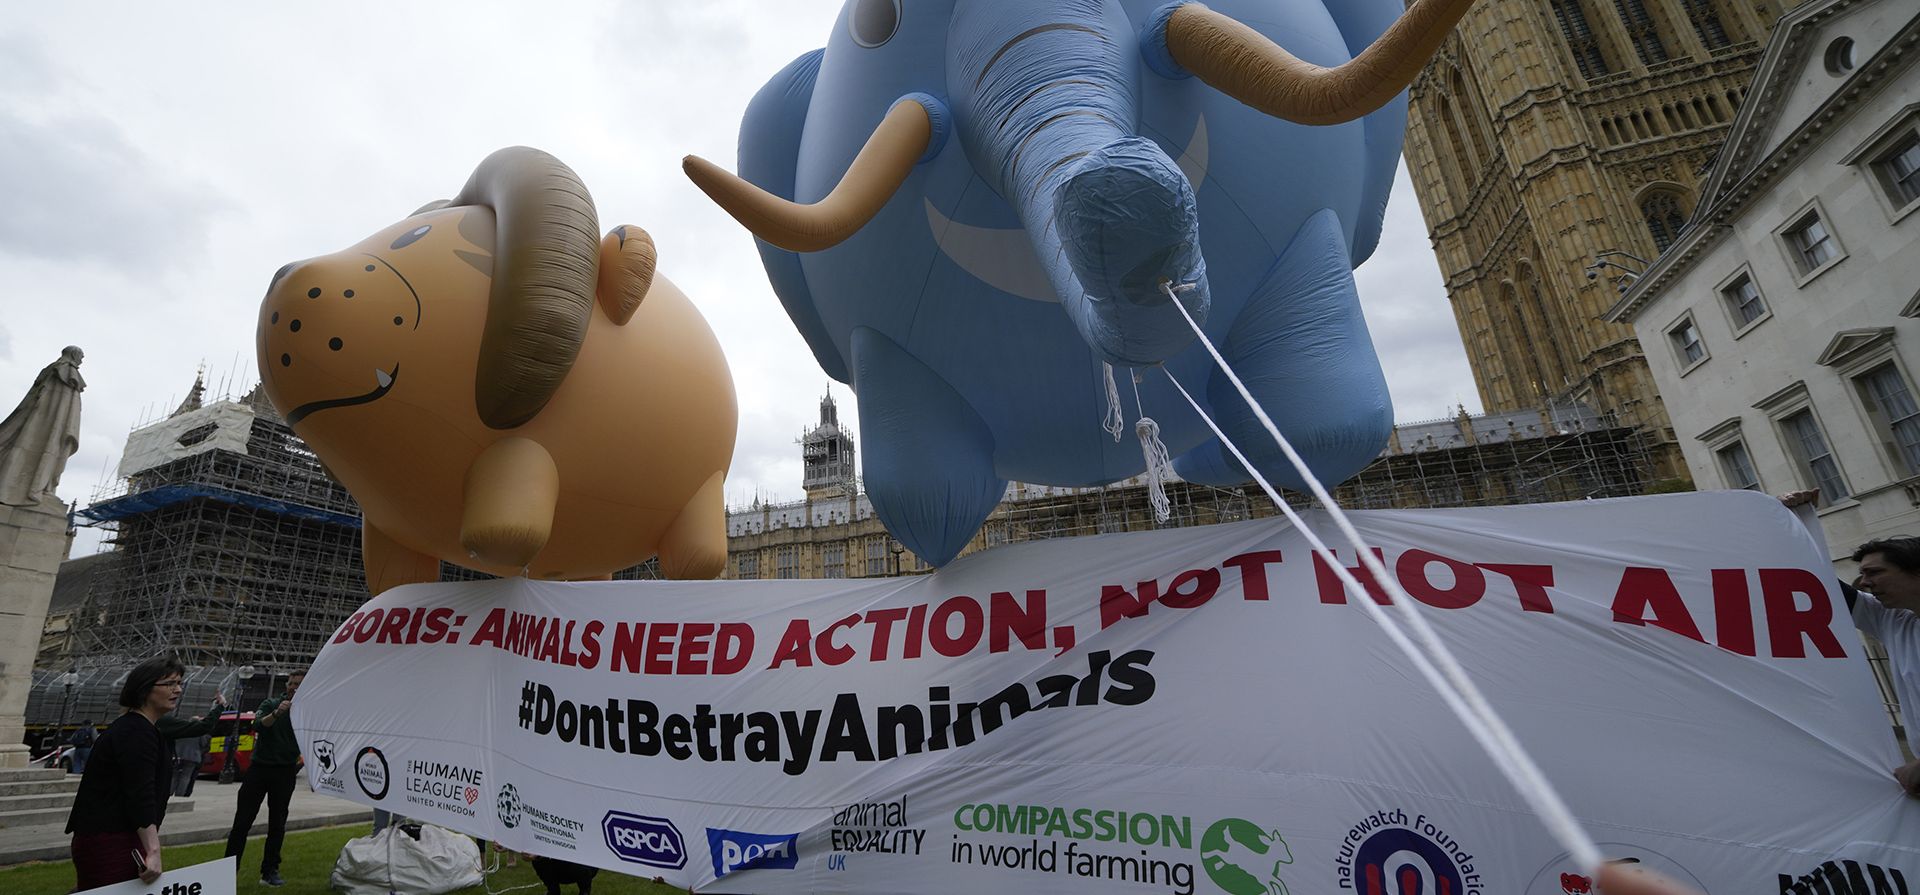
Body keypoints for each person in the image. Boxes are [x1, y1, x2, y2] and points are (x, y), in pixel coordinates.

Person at [63, 656, 187, 890]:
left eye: (180, 683)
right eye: (170, 684)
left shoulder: (138, 728)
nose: (178, 690)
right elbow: (140, 792)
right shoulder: (135, 731)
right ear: (145, 689)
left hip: (118, 837)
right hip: (112, 839)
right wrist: (153, 849)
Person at [1849, 535, 1920, 796]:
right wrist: (1793, 522)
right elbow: (1821, 586)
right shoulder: (1894, 619)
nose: (1866, 583)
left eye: (1875, 572)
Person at [224, 670, 304, 887]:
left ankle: (270, 871)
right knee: (242, 822)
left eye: (299, 684)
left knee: (277, 824)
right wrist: (277, 713)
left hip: (285, 771)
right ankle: (228, 871)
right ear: (286, 684)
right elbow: (258, 725)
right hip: (260, 769)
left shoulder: (306, 710)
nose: (294, 687)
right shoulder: (271, 704)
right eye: (292, 683)